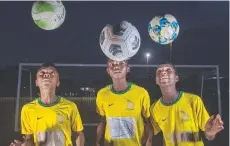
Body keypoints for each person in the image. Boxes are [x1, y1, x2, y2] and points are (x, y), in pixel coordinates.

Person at [10, 63, 85, 146]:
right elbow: (29, 138)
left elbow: (79, 133)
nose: (46, 75)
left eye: (51, 73)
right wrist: (24, 145)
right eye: (42, 73)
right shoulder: (27, 109)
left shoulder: (70, 106)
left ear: (57, 82)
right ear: (36, 82)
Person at [150, 62, 224, 146]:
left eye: (168, 70)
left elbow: (209, 136)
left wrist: (210, 133)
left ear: (176, 78)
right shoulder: (154, 108)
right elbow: (164, 136)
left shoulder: (193, 101)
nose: (163, 72)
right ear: (156, 80)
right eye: (159, 71)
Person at [96, 59, 152, 146]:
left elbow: (148, 122)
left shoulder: (141, 93)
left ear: (128, 69)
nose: (116, 66)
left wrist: (148, 142)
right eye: (112, 64)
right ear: (108, 71)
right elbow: (102, 121)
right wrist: (97, 141)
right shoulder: (102, 94)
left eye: (121, 63)